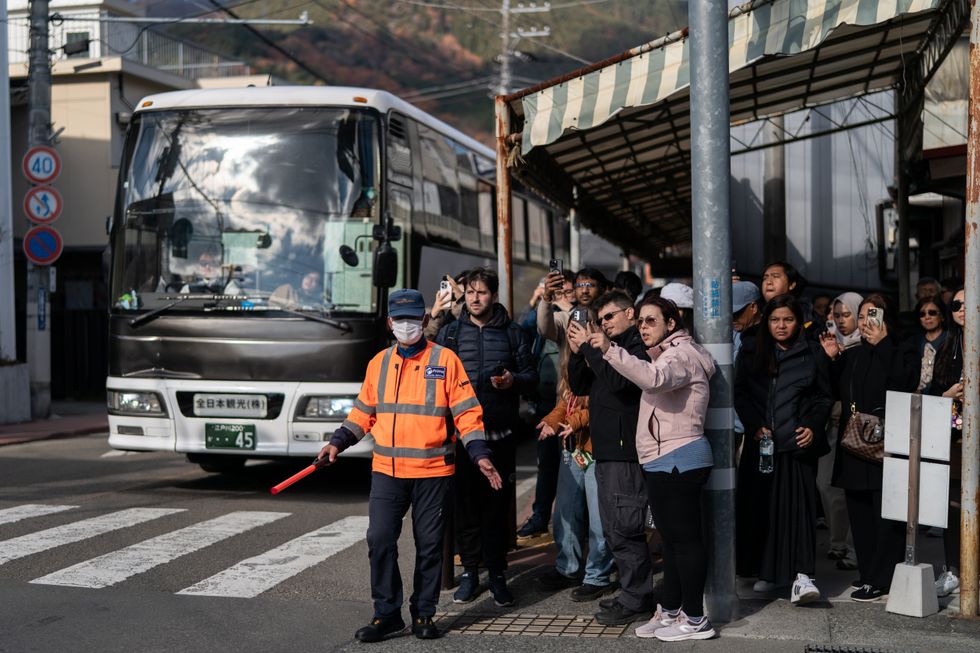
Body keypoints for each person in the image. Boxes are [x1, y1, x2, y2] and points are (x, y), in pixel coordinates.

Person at [317, 289, 503, 642]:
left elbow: (466, 412)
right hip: (386, 470)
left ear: (423, 319)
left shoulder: (446, 360)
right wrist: (337, 442)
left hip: (433, 472)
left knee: (430, 546)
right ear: (390, 322)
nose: (406, 325)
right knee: (380, 538)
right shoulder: (379, 363)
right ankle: (386, 614)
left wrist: (479, 454)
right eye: (399, 319)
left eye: (413, 318)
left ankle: (424, 614)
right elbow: (363, 412)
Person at [588, 295, 717, 642]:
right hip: (663, 459)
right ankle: (672, 610)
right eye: (641, 321)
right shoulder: (668, 353)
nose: (643, 328)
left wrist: (610, 350)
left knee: (685, 542)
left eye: (651, 321)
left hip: (680, 457)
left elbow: (654, 379)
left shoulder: (681, 355)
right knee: (672, 543)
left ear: (671, 324)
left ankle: (695, 618)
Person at [435, 268, 537, 606]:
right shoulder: (450, 333)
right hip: (461, 438)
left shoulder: (513, 333)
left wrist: (512, 381)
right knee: (465, 508)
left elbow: (531, 376)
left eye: (482, 293)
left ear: (494, 295)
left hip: (500, 434)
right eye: (470, 292)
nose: (475, 299)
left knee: (496, 509)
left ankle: (496, 574)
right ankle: (470, 573)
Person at [735, 295, 832, 605]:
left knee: (800, 512)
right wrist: (754, 426)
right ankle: (768, 573)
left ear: (797, 321)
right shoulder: (752, 351)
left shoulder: (812, 352)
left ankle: (803, 576)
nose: (781, 326)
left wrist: (813, 427)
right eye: (775, 320)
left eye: (787, 320)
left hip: (796, 446)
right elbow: (740, 393)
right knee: (762, 509)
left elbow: (824, 398)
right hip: (762, 445)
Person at [820, 293, 918, 602]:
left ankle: (883, 577)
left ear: (886, 319)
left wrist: (884, 345)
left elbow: (903, 383)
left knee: (884, 514)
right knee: (859, 512)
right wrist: (833, 359)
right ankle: (868, 573)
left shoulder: (901, 350)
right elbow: (839, 390)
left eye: (872, 316)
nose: (865, 323)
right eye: (861, 317)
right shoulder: (854, 352)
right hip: (855, 442)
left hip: (886, 444)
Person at [567, 290, 652, 625]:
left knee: (625, 527)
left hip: (625, 452)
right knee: (614, 528)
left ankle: (637, 599)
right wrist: (577, 354)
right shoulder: (606, 348)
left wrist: (591, 347)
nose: (603, 324)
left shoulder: (635, 345)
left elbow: (619, 382)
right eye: (599, 320)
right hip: (605, 451)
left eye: (609, 317)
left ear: (630, 313)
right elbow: (579, 385)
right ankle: (632, 594)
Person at [536, 328, 615, 602]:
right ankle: (568, 567)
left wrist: (574, 422)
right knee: (564, 513)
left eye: (580, 330)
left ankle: (597, 575)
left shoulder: (604, 360)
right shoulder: (571, 363)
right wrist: (551, 421)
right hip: (572, 449)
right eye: (570, 332)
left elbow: (603, 404)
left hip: (596, 449)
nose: (574, 337)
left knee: (598, 518)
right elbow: (565, 403)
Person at [517, 271, 575, 542]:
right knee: (547, 463)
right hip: (545, 405)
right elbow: (530, 327)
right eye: (558, 290)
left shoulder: (579, 319)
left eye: (566, 289)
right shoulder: (547, 312)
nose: (563, 294)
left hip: (573, 407)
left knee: (572, 466)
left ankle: (574, 524)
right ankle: (541, 516)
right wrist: (540, 300)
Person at [815, 292, 863, 569]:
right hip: (831, 425)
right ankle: (838, 542)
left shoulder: (865, 346)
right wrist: (830, 358)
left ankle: (850, 547)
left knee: (852, 489)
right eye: (837, 315)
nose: (841, 321)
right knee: (825, 483)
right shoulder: (831, 347)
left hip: (856, 427)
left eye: (847, 314)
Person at [930, 288, 966, 597]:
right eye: (956, 304)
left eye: (969, 302)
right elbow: (931, 390)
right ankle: (952, 569)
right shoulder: (948, 346)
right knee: (952, 506)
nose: (962, 308)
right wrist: (948, 395)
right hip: (954, 438)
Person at [908, 297, 948, 394]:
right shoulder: (913, 342)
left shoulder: (951, 339)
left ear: (942, 316)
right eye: (922, 314)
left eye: (932, 312)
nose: (927, 317)